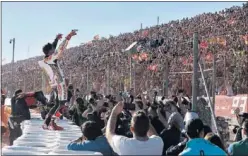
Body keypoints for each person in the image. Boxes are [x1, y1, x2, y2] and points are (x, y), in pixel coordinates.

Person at [39, 30, 77, 130]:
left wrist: (56, 39)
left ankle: (48, 122)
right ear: (49, 52)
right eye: (52, 49)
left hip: (55, 83)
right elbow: (61, 48)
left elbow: (54, 47)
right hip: (59, 83)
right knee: (62, 102)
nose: (54, 49)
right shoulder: (52, 58)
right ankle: (51, 122)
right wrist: (68, 37)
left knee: (57, 103)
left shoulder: (47, 58)